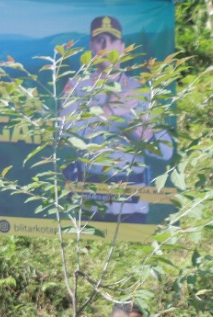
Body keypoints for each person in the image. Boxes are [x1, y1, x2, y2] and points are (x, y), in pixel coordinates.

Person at [60, 15, 173, 222]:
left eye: (111, 40)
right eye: (99, 39)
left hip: (132, 203)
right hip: (89, 200)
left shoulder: (140, 91)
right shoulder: (77, 87)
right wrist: (110, 110)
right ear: (91, 46)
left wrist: (146, 137)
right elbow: (65, 134)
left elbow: (167, 151)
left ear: (121, 47)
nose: (105, 45)